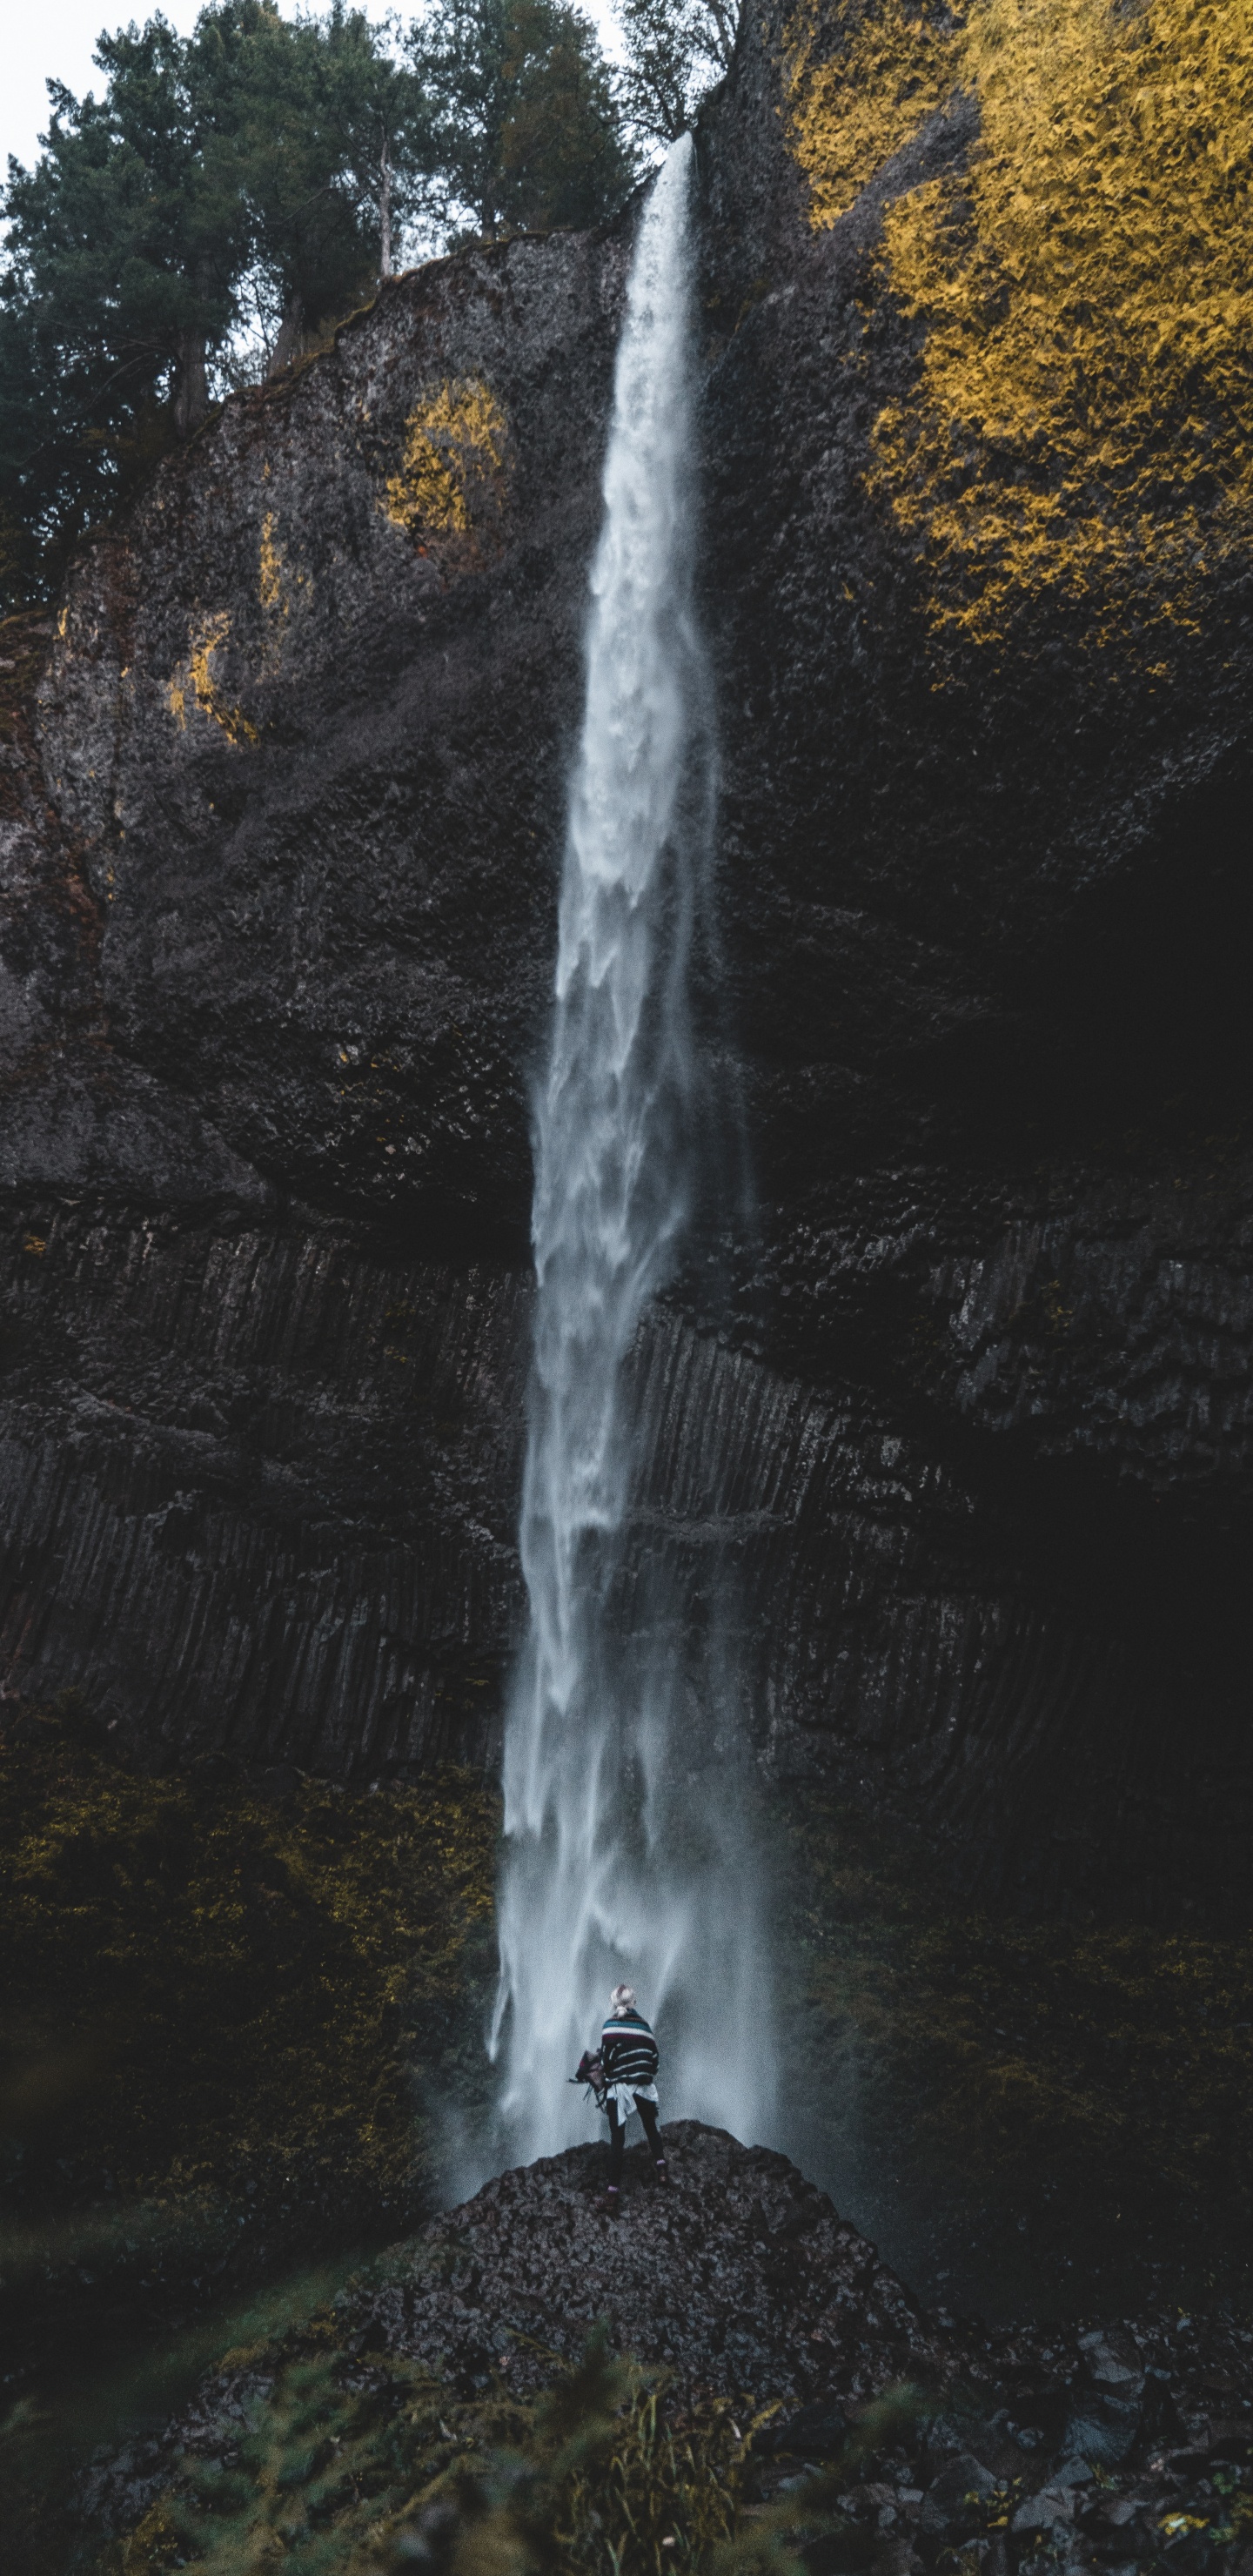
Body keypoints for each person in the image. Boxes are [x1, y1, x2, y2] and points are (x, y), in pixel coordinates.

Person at [599, 1982, 665, 2213]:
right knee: (651, 2128)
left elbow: (606, 2063)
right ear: (633, 2002)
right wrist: (642, 2074)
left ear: (613, 2003)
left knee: (618, 2139)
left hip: (618, 2089)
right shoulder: (645, 2027)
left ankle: (612, 2192)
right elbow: (654, 2059)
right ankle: (662, 2170)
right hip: (643, 2086)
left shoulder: (609, 2027)